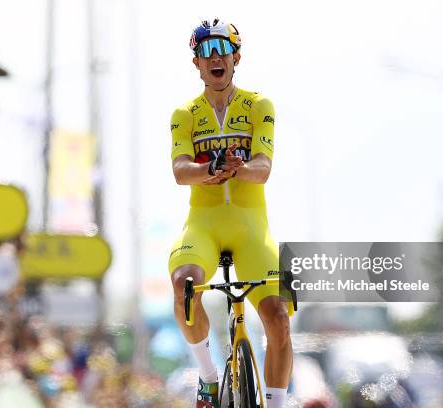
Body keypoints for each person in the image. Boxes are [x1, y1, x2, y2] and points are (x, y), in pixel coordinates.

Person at [168, 18, 292, 408]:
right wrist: (209, 170)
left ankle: (275, 403)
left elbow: (264, 169)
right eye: (206, 51)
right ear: (197, 63)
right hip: (203, 226)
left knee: (278, 317)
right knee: (183, 284)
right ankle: (207, 378)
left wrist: (236, 168)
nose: (215, 57)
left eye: (222, 49)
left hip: (250, 228)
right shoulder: (185, 114)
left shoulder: (258, 105)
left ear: (236, 57)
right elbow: (179, 171)